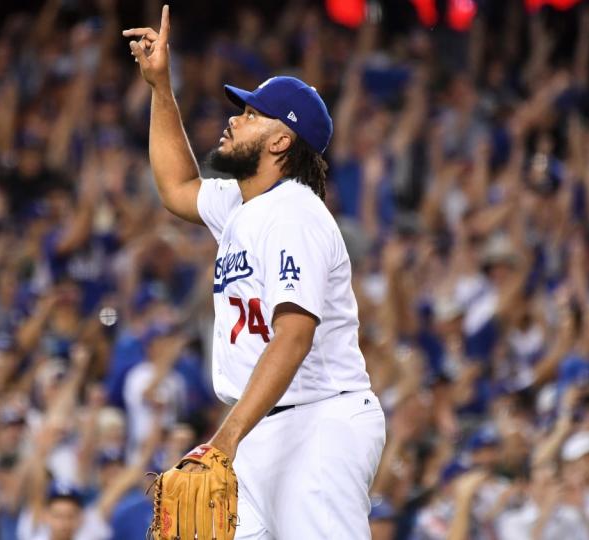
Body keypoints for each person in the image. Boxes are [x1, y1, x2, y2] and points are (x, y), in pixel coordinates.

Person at [123, 5, 386, 538]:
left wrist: (224, 440)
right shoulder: (245, 206)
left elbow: (293, 336)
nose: (235, 117)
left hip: (318, 424)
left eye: (250, 113)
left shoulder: (294, 213)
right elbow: (177, 188)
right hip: (261, 427)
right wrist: (160, 87)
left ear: (281, 140)